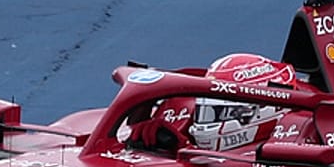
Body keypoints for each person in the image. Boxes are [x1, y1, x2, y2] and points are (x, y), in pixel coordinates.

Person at [128, 53, 299, 152]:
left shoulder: (295, 142)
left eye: (220, 113)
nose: (205, 122)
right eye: (206, 111)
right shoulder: (182, 108)